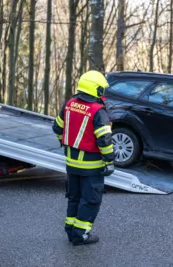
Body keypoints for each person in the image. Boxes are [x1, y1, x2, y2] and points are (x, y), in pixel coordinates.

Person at [52, 70, 115, 246]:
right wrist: (109, 160)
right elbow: (104, 140)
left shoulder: (69, 104)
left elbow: (57, 129)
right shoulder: (98, 111)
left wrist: (66, 146)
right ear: (96, 89)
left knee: (74, 197)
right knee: (91, 200)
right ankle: (81, 235)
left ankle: (71, 231)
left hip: (71, 164)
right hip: (91, 166)